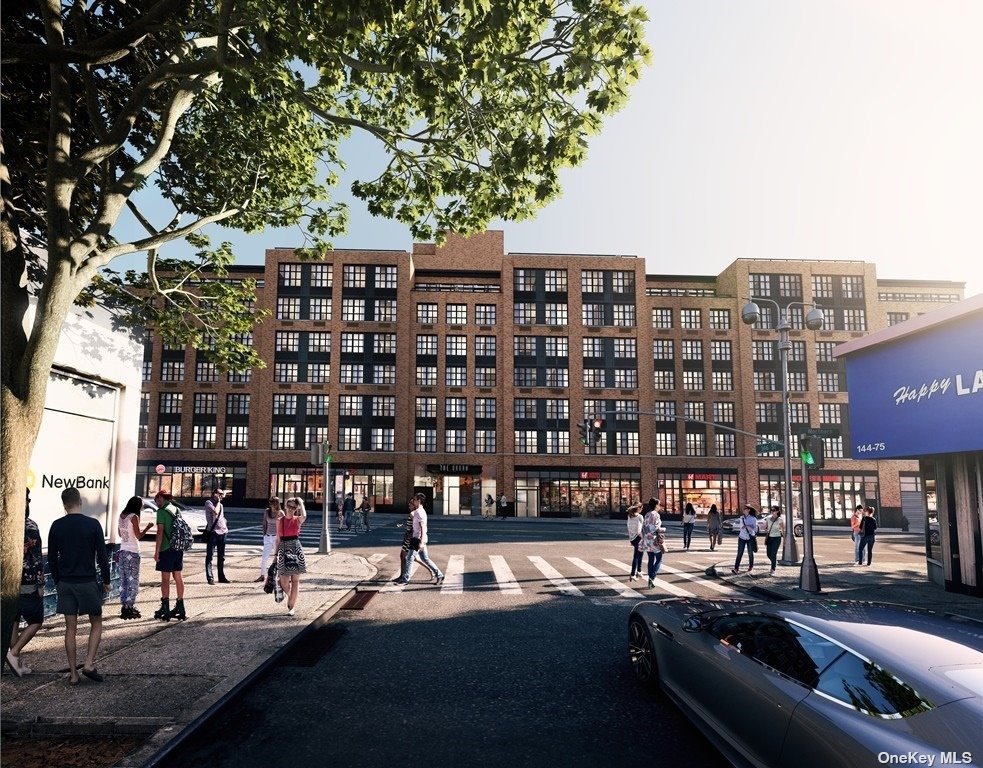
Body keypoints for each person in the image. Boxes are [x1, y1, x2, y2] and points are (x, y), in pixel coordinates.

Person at [47, 487, 111, 684]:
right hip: (87, 581)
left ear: (64, 505)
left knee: (70, 629)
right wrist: (107, 580)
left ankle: (74, 674)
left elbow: (51, 559)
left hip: (66, 582)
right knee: (96, 622)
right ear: (80, 502)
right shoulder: (93, 525)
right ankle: (89, 663)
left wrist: (58, 580)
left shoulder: (56, 526)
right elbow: (101, 556)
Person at [7, 490, 45, 676]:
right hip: (27, 582)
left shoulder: (5, 524)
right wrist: (41, 584)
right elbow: (36, 558)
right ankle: (13, 654)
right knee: (36, 620)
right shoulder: (30, 526)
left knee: (14, 620)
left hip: (7, 582)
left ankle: (16, 662)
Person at [395, 493, 445, 585]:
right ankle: (440, 575)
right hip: (418, 538)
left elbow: (423, 527)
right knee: (425, 559)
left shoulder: (419, 512)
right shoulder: (419, 511)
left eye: (414, 499)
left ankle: (405, 579)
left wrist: (421, 542)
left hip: (417, 539)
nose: (413, 501)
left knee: (410, 558)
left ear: (419, 501)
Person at [153, 489, 187, 621]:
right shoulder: (176, 509)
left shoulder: (161, 512)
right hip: (177, 548)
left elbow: (160, 532)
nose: (157, 503)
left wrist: (156, 551)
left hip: (166, 548)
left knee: (165, 578)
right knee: (178, 576)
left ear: (161, 498)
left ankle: (165, 607)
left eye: (157, 500)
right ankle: (180, 605)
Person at [118, 496, 153, 619]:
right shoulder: (134, 517)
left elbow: (119, 533)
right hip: (133, 551)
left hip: (122, 551)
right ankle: (129, 607)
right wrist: (147, 528)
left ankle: (124, 605)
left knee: (124, 579)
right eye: (141, 505)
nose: (142, 507)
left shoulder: (122, 515)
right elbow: (138, 535)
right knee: (133, 580)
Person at [276, 497, 307, 615]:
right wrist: (275, 556)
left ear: (296, 509)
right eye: (289, 506)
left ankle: (291, 607)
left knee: (295, 580)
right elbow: (277, 539)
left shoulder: (297, 519)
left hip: (295, 548)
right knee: (283, 581)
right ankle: (290, 597)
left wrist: (301, 502)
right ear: (285, 506)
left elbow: (304, 516)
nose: (290, 509)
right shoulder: (280, 520)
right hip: (283, 548)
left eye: (293, 507)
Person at [636, 502, 666, 588]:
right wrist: (662, 529)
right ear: (656, 505)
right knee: (659, 559)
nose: (660, 506)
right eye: (659, 504)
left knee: (651, 559)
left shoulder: (647, 514)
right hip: (654, 539)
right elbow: (655, 528)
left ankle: (650, 578)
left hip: (647, 540)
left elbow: (644, 527)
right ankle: (652, 577)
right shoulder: (656, 515)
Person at [204, 488, 230, 584]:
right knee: (210, 556)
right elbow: (215, 512)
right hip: (213, 532)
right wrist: (218, 502)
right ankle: (210, 577)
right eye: (220, 494)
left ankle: (221, 576)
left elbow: (221, 517)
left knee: (221, 556)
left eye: (222, 494)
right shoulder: (208, 503)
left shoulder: (221, 505)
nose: (221, 496)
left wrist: (225, 526)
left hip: (223, 532)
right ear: (214, 494)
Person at [258, 497, 282, 582]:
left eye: (273, 502)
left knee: (278, 557)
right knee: (264, 557)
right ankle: (262, 575)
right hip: (268, 536)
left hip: (276, 537)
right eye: (270, 502)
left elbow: (283, 526)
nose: (271, 503)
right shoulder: (267, 511)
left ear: (277, 503)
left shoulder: (280, 513)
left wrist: (281, 538)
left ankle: (279, 576)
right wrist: (264, 535)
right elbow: (264, 524)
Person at [732, 504, 759, 574]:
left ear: (748, 510)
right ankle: (736, 568)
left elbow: (755, 529)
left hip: (750, 537)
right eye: (743, 509)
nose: (743, 510)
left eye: (745, 509)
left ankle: (750, 567)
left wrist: (748, 526)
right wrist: (744, 526)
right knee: (739, 553)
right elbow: (741, 527)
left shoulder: (753, 518)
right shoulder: (741, 518)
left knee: (750, 553)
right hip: (742, 537)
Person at [625, 501, 645, 581]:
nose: (642, 509)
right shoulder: (640, 517)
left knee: (639, 554)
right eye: (642, 508)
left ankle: (639, 571)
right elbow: (639, 530)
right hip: (638, 538)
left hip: (632, 538)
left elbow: (628, 527)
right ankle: (633, 573)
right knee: (637, 556)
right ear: (639, 508)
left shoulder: (630, 516)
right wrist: (642, 537)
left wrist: (631, 538)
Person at [764, 506, 784, 575]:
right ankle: (774, 562)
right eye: (771, 510)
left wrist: (785, 540)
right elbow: (766, 528)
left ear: (777, 511)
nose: (772, 511)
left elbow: (782, 530)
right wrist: (766, 529)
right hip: (769, 538)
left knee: (773, 553)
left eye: (774, 510)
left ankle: (773, 569)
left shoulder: (780, 520)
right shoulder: (768, 519)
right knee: (768, 554)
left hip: (777, 538)